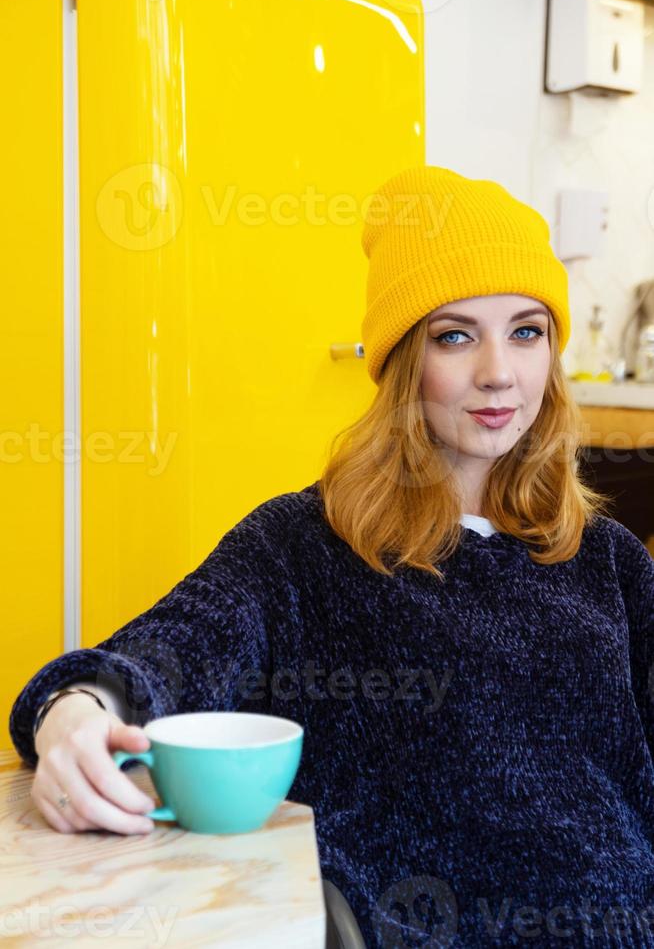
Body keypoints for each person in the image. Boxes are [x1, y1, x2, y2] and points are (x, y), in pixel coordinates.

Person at [9, 165, 654, 948]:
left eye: (527, 331)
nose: (498, 373)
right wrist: (73, 710)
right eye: (455, 335)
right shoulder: (302, 546)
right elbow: (164, 654)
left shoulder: (608, 560)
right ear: (401, 361)